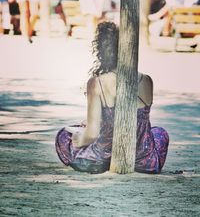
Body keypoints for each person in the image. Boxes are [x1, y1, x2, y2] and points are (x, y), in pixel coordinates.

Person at [55, 22, 169, 174]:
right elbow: (136, 122)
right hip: (142, 159)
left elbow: (92, 134)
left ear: (102, 51)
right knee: (159, 132)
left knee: (64, 135)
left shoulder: (97, 83)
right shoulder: (146, 80)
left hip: (101, 159)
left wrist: (79, 140)